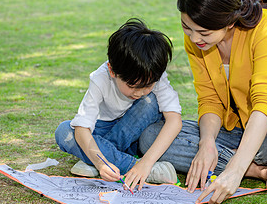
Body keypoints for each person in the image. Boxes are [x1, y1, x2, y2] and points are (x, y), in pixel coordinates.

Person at [139, 0, 267, 204]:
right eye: (187, 28)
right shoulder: (197, 40)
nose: (195, 39)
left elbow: (264, 101)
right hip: (236, 131)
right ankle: (259, 171)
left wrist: (234, 171)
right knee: (151, 136)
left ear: (230, 21)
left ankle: (238, 164)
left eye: (204, 32)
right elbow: (209, 100)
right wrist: (206, 143)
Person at [55, 18, 182, 191]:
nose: (140, 92)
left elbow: (174, 120)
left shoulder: (152, 72)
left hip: (134, 135)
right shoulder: (100, 78)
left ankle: (93, 157)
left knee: (149, 102)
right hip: (102, 129)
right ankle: (132, 166)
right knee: (64, 131)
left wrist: (146, 161)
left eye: (148, 85)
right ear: (112, 70)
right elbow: (82, 128)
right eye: (132, 86)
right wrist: (102, 164)